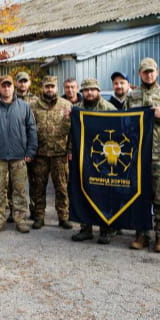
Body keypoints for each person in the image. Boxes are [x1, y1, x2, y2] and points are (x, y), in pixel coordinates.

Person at [124, 58, 160, 253]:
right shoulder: (132, 97)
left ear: (157, 72)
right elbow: (122, 122)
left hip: (159, 157)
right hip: (138, 156)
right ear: (140, 73)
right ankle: (141, 235)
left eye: (152, 71)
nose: (149, 75)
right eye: (145, 72)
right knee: (139, 197)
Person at [0, 75, 37, 234]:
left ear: (13, 87)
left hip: (19, 157)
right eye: (3, 86)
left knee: (19, 190)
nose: (6, 88)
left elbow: (32, 130)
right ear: (0, 88)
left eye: (9, 86)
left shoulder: (24, 107)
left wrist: (30, 151)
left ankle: (20, 220)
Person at [69, 78, 118, 244]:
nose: (89, 93)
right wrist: (70, 151)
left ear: (98, 91)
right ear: (82, 92)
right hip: (83, 157)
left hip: (104, 159)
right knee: (84, 191)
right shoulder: (77, 110)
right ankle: (86, 228)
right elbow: (70, 133)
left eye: (92, 90)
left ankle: (106, 229)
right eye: (86, 90)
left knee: (104, 194)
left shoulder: (109, 109)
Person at [28, 76, 73, 230]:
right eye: (47, 87)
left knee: (61, 187)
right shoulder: (33, 107)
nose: (49, 89)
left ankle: (63, 216)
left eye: (52, 87)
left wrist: (70, 150)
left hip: (59, 154)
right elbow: (29, 130)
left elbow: (73, 131)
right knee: (38, 187)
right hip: (40, 154)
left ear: (57, 88)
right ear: (42, 88)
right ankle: (39, 216)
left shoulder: (66, 105)